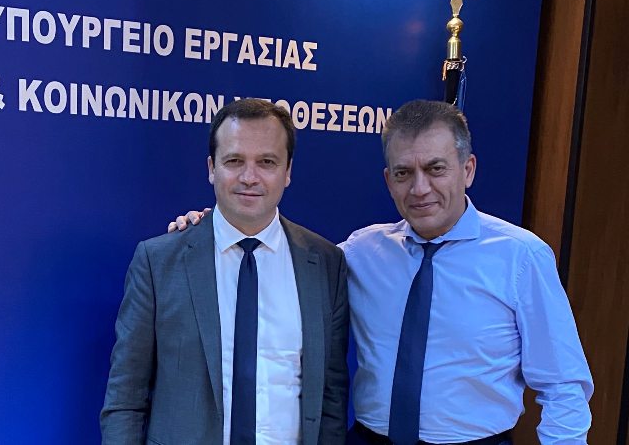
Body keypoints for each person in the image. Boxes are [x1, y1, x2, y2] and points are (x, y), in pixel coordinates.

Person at [169, 100, 593, 444]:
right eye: (404, 173)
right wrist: (211, 230)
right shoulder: (361, 252)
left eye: (436, 168)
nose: (420, 188)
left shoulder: (522, 257)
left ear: (468, 169)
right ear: (389, 180)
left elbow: (564, 387)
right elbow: (275, 261)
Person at [101, 99, 349, 445]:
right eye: (234, 161)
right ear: (211, 168)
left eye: (267, 162)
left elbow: (331, 396)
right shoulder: (158, 262)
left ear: (288, 171)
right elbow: (125, 398)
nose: (249, 177)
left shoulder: (325, 263)